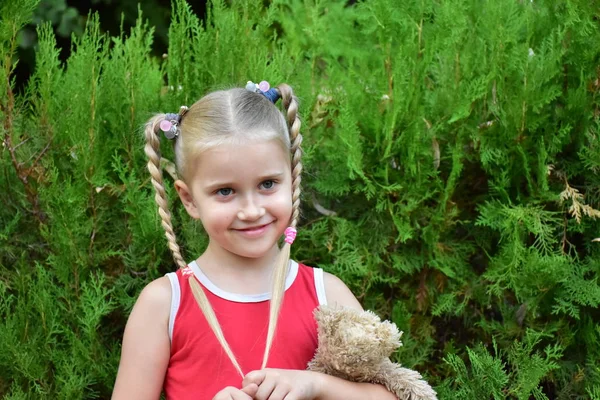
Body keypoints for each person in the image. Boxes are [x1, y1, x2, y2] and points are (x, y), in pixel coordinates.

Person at [112, 82, 396, 400]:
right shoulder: (164, 304)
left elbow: (396, 392)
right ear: (189, 199)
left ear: (291, 178)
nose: (251, 210)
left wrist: (316, 386)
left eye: (268, 184)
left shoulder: (326, 294)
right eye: (225, 191)